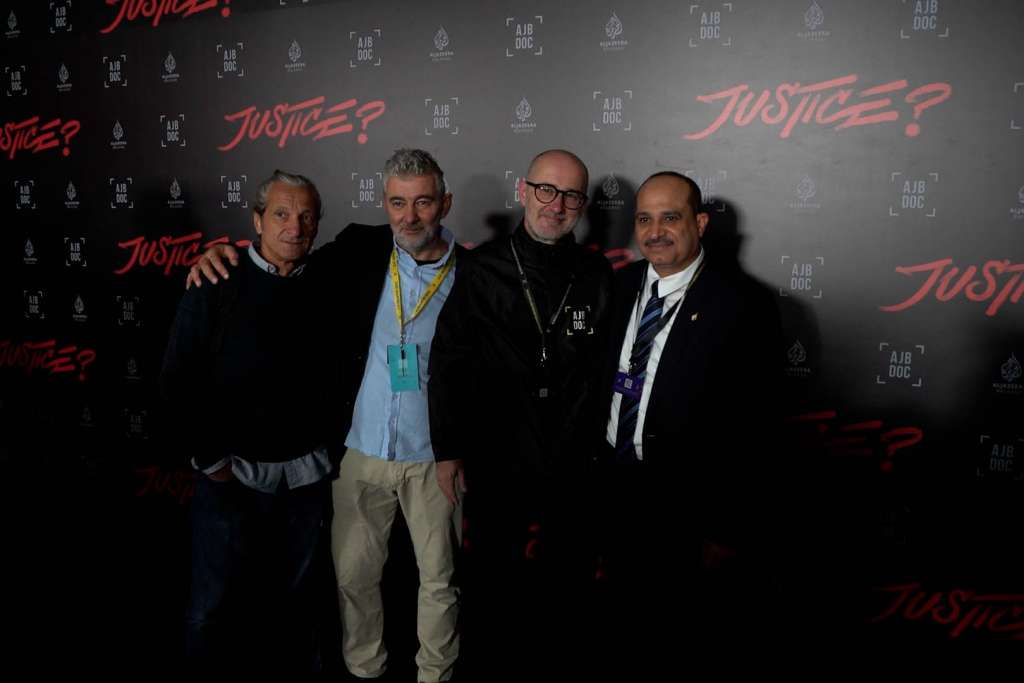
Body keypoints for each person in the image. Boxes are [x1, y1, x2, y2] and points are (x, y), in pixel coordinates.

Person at [188, 149, 463, 683]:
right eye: (398, 202)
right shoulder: (360, 249)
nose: (409, 216)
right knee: (350, 578)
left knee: (438, 581)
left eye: (423, 202)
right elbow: (280, 256)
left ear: (445, 203)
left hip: (431, 455)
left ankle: (436, 676)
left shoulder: (474, 272)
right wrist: (221, 254)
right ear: (384, 203)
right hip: (357, 451)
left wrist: (458, 446)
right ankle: (363, 672)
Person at [428, 149, 612, 677]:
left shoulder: (597, 272)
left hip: (573, 457)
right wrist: (448, 451)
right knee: (492, 582)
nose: (556, 205)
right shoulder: (481, 267)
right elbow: (448, 360)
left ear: (582, 204)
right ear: (523, 191)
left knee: (567, 585)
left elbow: (604, 366)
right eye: (546, 190)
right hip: (498, 453)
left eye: (571, 195)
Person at [598, 171, 782, 655]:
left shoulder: (743, 305)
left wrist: (725, 528)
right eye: (644, 219)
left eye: (670, 218)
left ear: (699, 223)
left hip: (686, 505)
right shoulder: (619, 286)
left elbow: (756, 430)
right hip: (614, 490)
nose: (655, 231)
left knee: (679, 632)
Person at [160, 170, 335, 673]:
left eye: (306, 217)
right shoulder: (216, 280)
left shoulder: (330, 278)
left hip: (305, 482)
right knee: (211, 609)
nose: (294, 227)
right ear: (257, 220)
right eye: (281, 214)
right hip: (231, 480)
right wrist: (211, 461)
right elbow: (177, 378)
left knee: (299, 607)